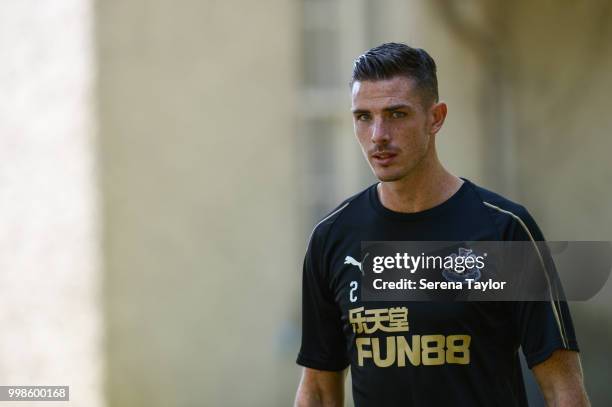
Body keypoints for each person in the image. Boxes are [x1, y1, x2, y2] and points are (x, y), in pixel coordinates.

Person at [294, 43, 589, 406]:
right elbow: (319, 391)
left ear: (436, 118)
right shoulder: (332, 238)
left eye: (397, 114)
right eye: (364, 117)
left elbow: (563, 389)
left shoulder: (503, 230)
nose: (378, 135)